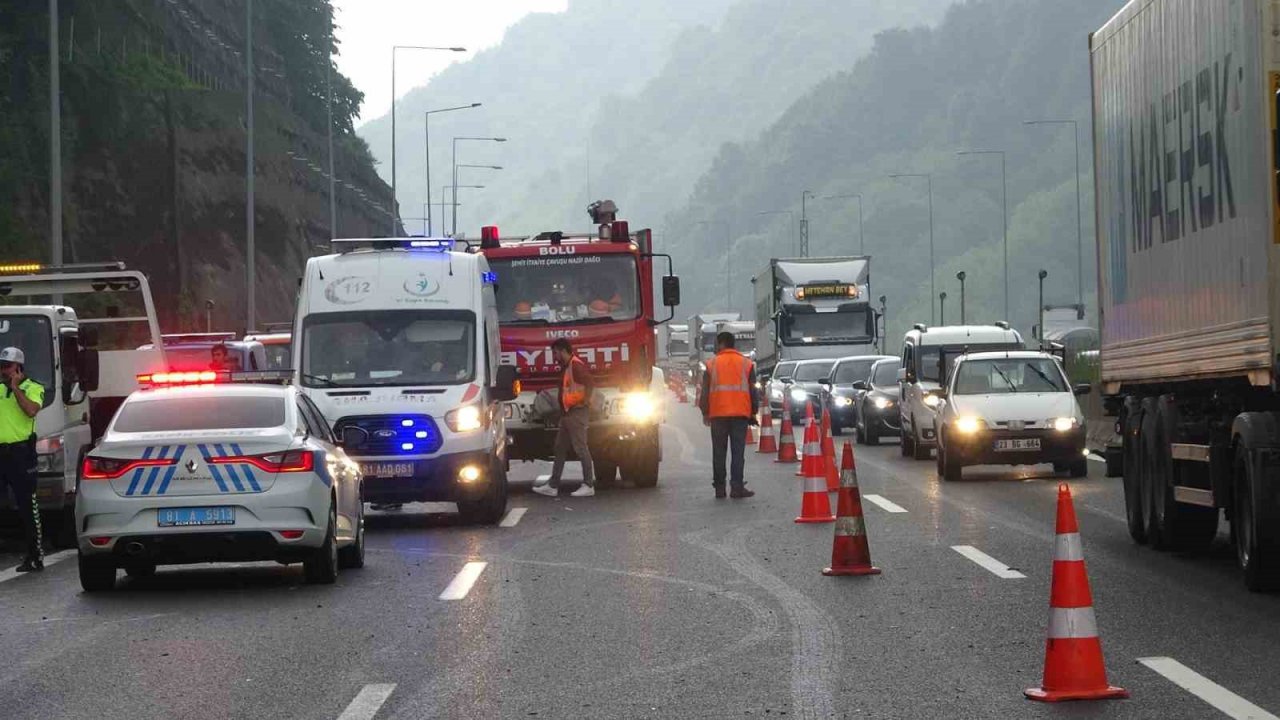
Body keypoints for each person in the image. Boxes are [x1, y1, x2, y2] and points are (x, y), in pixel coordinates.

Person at [0, 347, 45, 571]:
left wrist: (16, 388)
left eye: (7, 367)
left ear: (18, 367)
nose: (3, 371)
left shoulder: (33, 387)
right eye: (1, 366)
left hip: (20, 454)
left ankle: (35, 555)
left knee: (27, 504)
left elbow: (31, 411)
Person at [533, 338, 596, 498]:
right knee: (560, 448)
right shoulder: (567, 367)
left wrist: (583, 402)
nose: (554, 356)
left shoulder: (575, 366)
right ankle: (553, 485)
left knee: (581, 448)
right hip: (568, 413)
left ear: (562, 351)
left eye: (555, 353)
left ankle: (588, 485)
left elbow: (590, 383)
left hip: (576, 412)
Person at [700, 332, 758, 499]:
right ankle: (736, 488)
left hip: (718, 415)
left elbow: (705, 391)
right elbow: (753, 391)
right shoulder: (746, 364)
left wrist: (705, 412)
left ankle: (719, 488)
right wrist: (753, 413)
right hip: (740, 414)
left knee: (719, 452)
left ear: (721, 344)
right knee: (737, 453)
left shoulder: (712, 364)